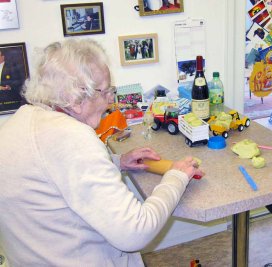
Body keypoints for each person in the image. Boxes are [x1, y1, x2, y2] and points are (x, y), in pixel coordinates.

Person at [0, 39, 204, 266]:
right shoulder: (72, 138)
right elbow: (136, 232)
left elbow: (52, 172)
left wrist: (116, 161)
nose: (110, 101)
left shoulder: (18, 122)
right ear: (75, 99)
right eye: (106, 92)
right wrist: (175, 177)